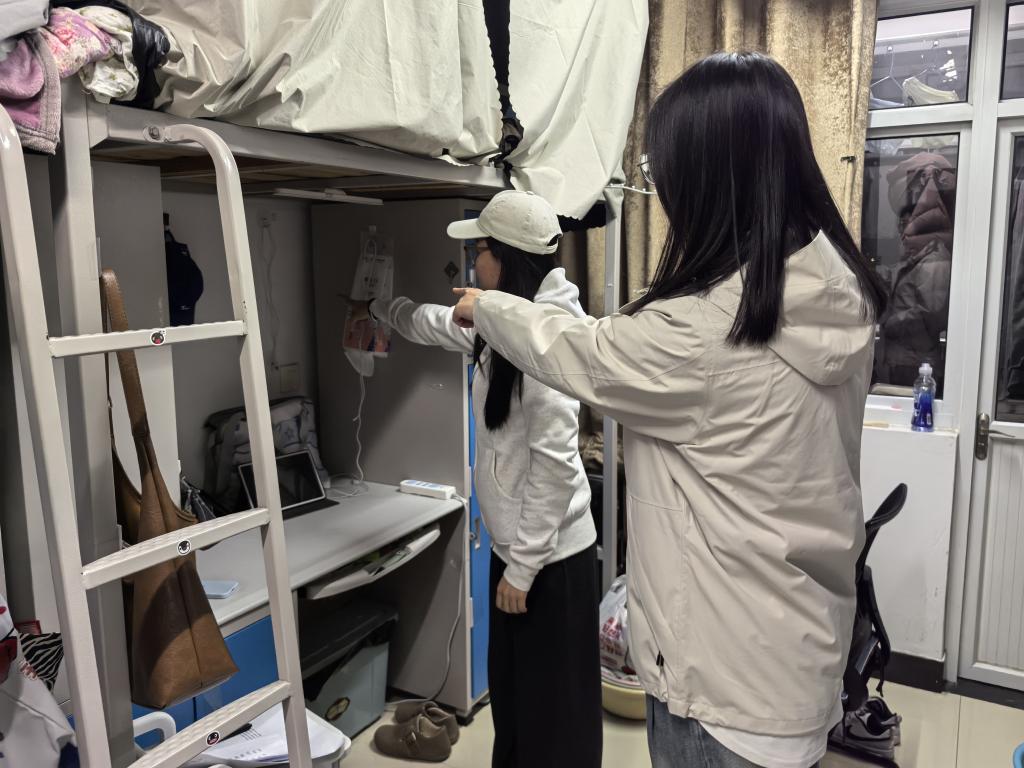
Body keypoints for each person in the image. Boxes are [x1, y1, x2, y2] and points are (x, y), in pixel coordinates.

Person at [452, 52, 888, 768]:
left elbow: (583, 352)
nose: (664, 195)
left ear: (710, 179)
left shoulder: (710, 331)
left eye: (664, 174)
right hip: (795, 661)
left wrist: (488, 307)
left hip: (720, 688)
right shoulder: (833, 288)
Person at [353, 190, 601, 768]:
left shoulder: (549, 339)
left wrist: (524, 567)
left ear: (507, 259)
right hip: (521, 552)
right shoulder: (504, 324)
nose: (472, 264)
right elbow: (436, 323)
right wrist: (381, 308)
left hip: (551, 562)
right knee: (516, 706)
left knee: (553, 720)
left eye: (480, 251)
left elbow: (556, 468)